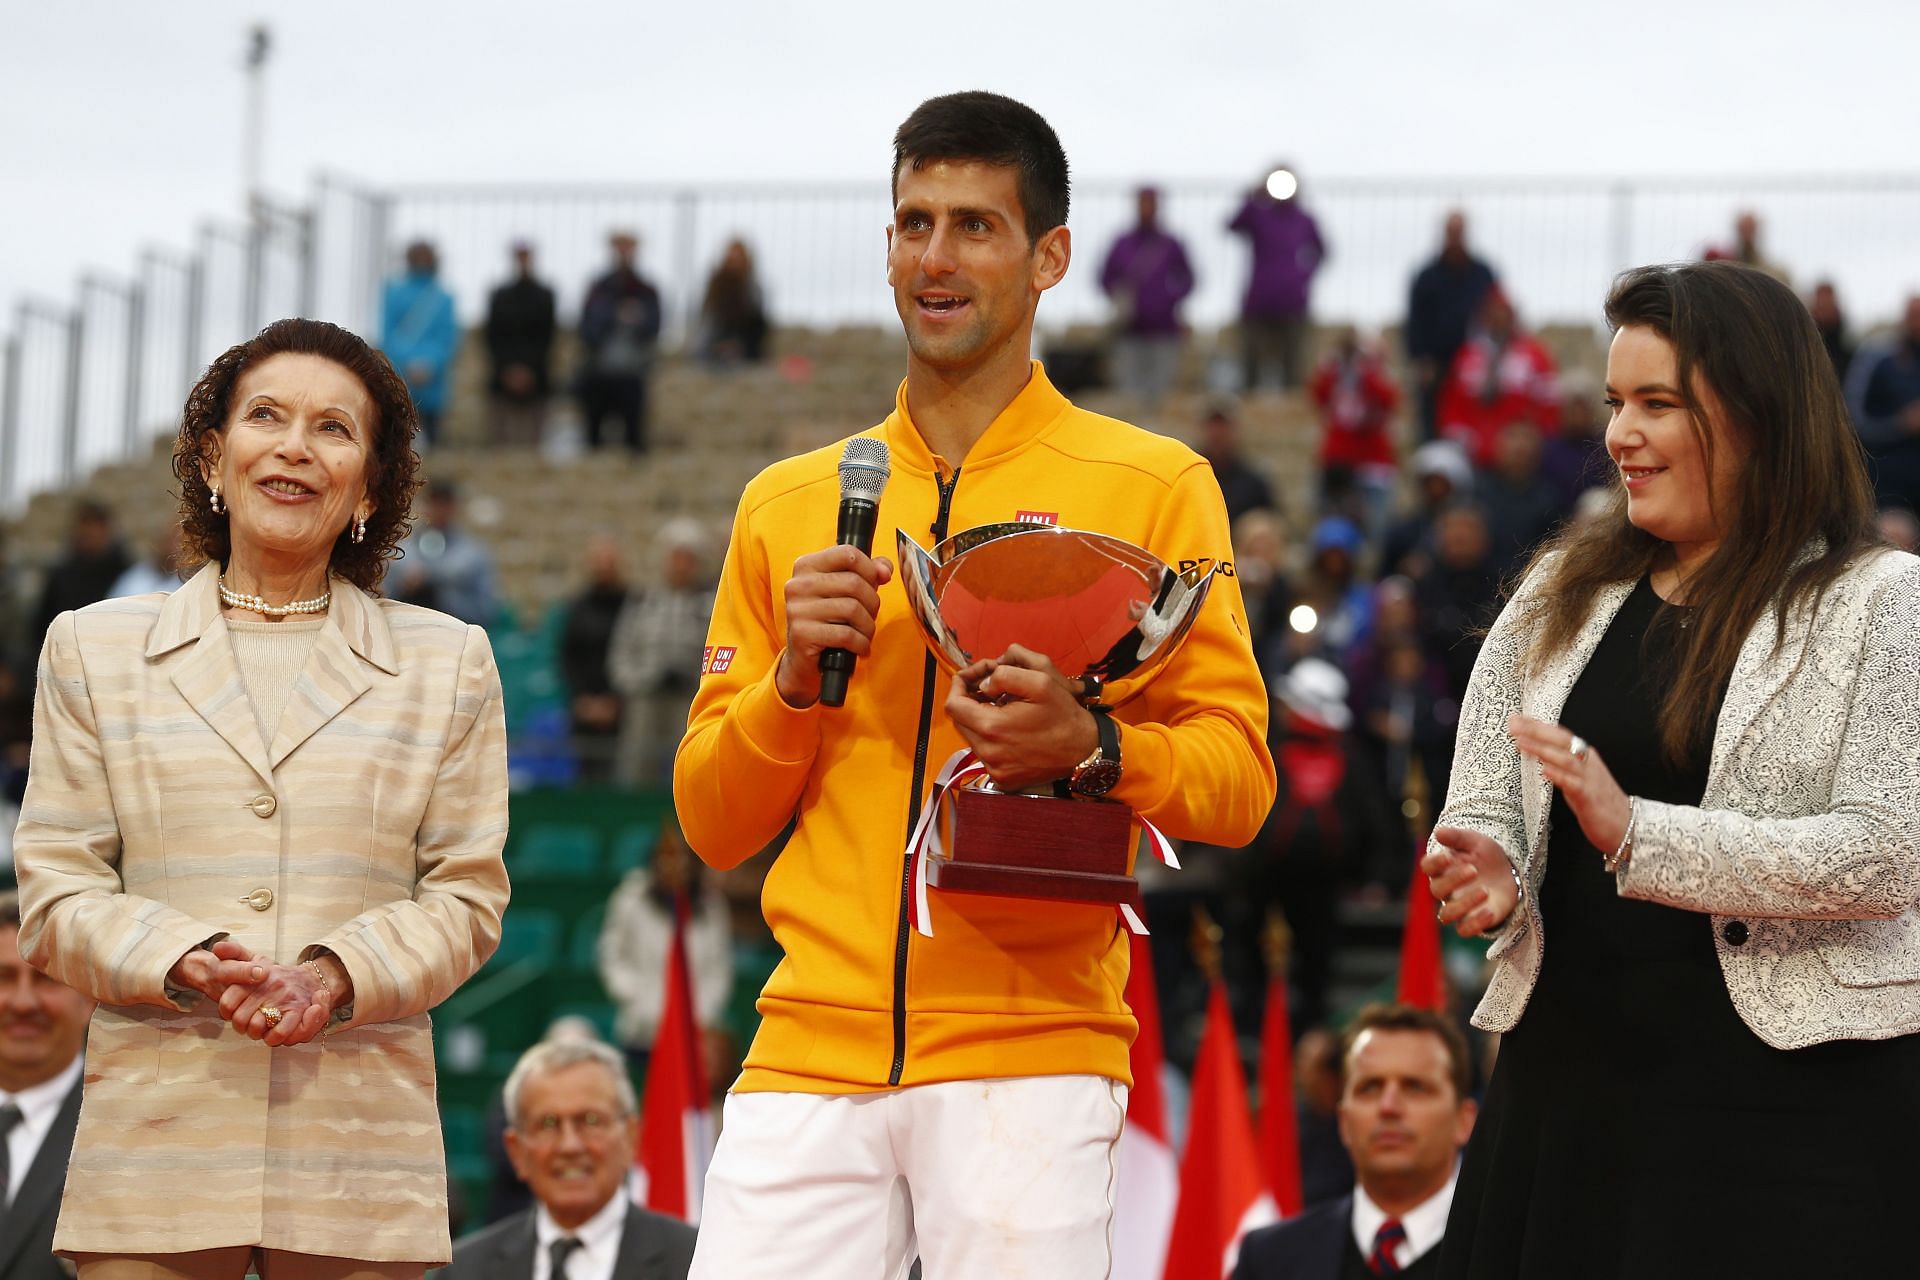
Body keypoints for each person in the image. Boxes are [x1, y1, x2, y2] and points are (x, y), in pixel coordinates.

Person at [674, 91, 1274, 1279]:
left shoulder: (1153, 484)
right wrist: (790, 685)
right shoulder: (788, 501)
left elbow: (1240, 783)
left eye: (974, 227)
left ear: (1050, 255)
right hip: (807, 1052)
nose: (934, 259)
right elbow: (711, 821)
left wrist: (1095, 743)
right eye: (912, 223)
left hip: (1032, 1052)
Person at [1421, 261, 1920, 1276]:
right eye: (1614, 403)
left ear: (1759, 414)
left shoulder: (1883, 600)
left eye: (1657, 402)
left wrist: (1642, 833)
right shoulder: (1560, 586)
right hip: (1566, 1093)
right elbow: (1483, 788)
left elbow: (1885, 853)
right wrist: (1490, 862)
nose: (1618, 435)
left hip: (1792, 1119)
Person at [13, 316, 511, 1274]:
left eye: (334, 429)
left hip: (358, 1144)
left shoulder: (449, 664)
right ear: (215, 454)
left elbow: (467, 899)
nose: (294, 447)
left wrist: (328, 977)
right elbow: (56, 886)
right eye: (267, 417)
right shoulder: (91, 648)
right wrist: (190, 958)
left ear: (371, 483)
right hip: (156, 1140)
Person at [1235, 1005, 1477, 1279]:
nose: (1389, 1107)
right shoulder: (1268, 1259)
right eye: (1370, 1088)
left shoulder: (1515, 1254)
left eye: (1415, 1087)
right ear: (1344, 1121)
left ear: (1464, 1120)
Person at [443, 1039, 696, 1280]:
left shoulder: (696, 1261)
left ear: (630, 1138)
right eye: (548, 1124)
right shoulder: (464, 1270)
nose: (570, 1145)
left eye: (590, 1120)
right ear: (516, 1151)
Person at [0, 891, 91, 1280]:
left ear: (91, 996)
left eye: (46, 978)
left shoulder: (128, 1131)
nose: (23, 1002)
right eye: (3, 977)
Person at [595, 822, 732, 1071]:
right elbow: (612, 955)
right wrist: (636, 998)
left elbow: (719, 970)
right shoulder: (630, 899)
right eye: (666, 858)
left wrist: (698, 1017)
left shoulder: (712, 907)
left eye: (682, 859)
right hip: (640, 1029)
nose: (674, 867)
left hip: (693, 1035)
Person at [606, 520, 713, 787]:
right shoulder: (643, 601)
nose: (681, 565)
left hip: (688, 698)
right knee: (638, 764)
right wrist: (635, 682)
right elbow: (622, 649)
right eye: (676, 557)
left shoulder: (708, 605)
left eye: (688, 558)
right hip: (645, 696)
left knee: (689, 767)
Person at [1434, 285, 1560, 467]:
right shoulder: (1467, 356)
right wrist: (1462, 439)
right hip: (1474, 455)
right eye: (1493, 314)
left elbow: (1549, 406)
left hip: (1521, 456)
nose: (1498, 320)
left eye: (1503, 314)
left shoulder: (1534, 356)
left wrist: (1532, 440)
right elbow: (1452, 402)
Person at [1227, 166, 1326, 393]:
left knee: (1293, 365)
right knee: (1250, 363)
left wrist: (1302, 277)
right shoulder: (1258, 214)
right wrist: (1252, 197)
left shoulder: (1304, 219)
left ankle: (1290, 411)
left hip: (1293, 302)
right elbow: (1232, 225)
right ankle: (1248, 404)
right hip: (1258, 301)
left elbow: (1322, 251)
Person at [1099, 185, 1195, 403]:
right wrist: (1121, 298)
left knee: (1161, 395)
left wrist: (1168, 299)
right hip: (1129, 331)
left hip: (1164, 331)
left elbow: (1189, 278)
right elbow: (1105, 278)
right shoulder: (1121, 244)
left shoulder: (1171, 244)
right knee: (1127, 395)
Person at [1405, 212, 1497, 441]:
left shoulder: (1482, 273)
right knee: (1431, 424)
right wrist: (1420, 358)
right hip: (1436, 365)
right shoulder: (1426, 277)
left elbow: (1495, 311)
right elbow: (1415, 322)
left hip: (1473, 363)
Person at [578, 232, 663, 453]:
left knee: (634, 438)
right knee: (593, 438)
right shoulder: (599, 288)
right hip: (600, 372)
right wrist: (614, 316)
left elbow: (654, 327)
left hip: (632, 373)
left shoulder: (646, 289)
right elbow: (587, 328)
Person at [559, 535, 632, 783]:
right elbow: (567, 657)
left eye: (608, 561)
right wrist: (583, 700)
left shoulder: (632, 605)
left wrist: (615, 701)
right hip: (584, 707)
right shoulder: (577, 607)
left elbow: (634, 654)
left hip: (623, 708)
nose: (603, 567)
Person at [1843, 292, 1920, 514]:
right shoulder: (1877, 358)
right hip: (1888, 490)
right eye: (1914, 315)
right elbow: (1854, 422)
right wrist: (1902, 424)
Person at [380, 241, 459, 447]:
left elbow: (447, 337)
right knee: (398, 438)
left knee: (433, 439)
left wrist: (429, 365)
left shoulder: (443, 298)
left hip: (432, 380)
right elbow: (388, 334)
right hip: (403, 375)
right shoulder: (394, 293)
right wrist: (408, 363)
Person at [483, 241, 558, 447]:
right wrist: (509, 369)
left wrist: (528, 370)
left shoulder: (545, 296)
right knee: (501, 440)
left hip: (536, 375)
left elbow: (546, 338)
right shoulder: (500, 296)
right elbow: (493, 336)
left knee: (535, 441)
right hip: (504, 374)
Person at [30, 501, 129, 652]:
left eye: (96, 527)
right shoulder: (60, 575)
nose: (91, 534)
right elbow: (41, 628)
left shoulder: (127, 574)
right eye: (85, 527)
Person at [397, 480, 497, 628]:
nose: (439, 510)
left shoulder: (473, 553)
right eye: (434, 503)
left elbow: (485, 611)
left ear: (454, 507)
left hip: (456, 633)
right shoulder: (403, 550)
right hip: (406, 631)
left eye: (444, 504)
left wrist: (435, 584)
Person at [696, 237, 770, 367]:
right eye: (732, 257)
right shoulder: (716, 286)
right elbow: (708, 321)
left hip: (744, 344)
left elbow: (756, 323)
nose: (734, 262)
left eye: (738, 257)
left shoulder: (752, 288)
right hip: (715, 342)